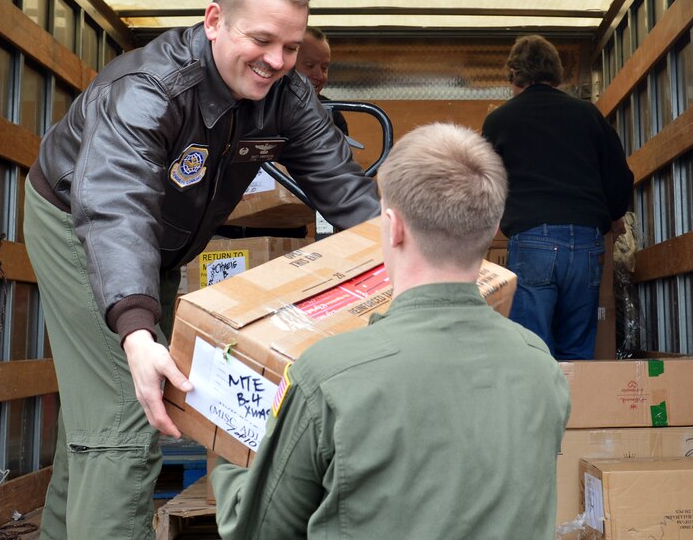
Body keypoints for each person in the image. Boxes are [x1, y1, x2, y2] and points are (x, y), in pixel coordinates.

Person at [22, 0, 379, 540]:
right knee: (130, 415)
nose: (277, 62)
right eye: (262, 40)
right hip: (79, 224)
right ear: (215, 20)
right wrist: (137, 332)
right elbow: (115, 206)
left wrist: (422, 271)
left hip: (156, 242)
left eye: (290, 47)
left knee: (97, 417)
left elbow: (346, 191)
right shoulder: (148, 90)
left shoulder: (285, 95)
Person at [211, 123, 571, 539]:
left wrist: (224, 451)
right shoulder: (541, 366)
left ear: (393, 226)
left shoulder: (328, 376)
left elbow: (258, 531)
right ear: (493, 230)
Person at [482, 34, 634, 361]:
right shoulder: (588, 115)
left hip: (533, 240)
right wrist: (614, 212)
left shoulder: (500, 120)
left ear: (513, 73)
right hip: (587, 243)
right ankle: (576, 411)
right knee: (578, 348)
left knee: (534, 349)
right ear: (557, 71)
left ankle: (542, 412)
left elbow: (483, 184)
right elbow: (620, 178)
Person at [295, 25, 348, 134]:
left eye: (324, 68)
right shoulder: (265, 108)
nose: (319, 76)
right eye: (309, 65)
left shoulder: (332, 114)